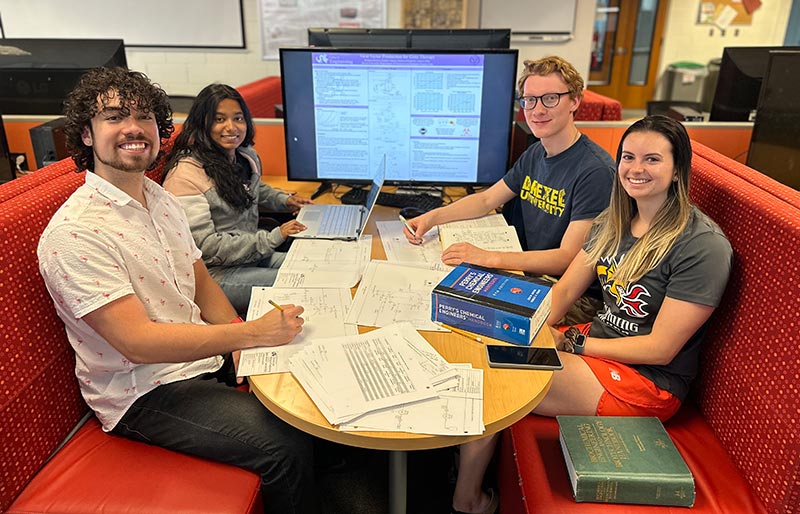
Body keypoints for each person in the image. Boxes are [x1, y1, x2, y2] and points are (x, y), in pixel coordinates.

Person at [37, 67, 316, 514]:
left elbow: (199, 276)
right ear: (86, 135)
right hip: (145, 391)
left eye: (144, 116)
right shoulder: (76, 233)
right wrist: (250, 336)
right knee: (285, 445)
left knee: (311, 389)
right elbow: (137, 342)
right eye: (113, 117)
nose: (133, 128)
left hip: (198, 358)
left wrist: (237, 332)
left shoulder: (158, 196)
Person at [450, 115, 733, 514]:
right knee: (487, 343)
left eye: (652, 159)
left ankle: (469, 501)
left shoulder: (702, 246)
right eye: (628, 157)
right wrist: (532, 329)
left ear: (677, 170)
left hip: (646, 382)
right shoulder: (614, 220)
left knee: (498, 378)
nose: (636, 169)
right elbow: (565, 289)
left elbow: (661, 348)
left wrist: (575, 343)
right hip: (598, 346)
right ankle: (463, 469)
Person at [405, 56, 615, 284]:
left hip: (558, 287)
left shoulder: (596, 171)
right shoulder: (536, 153)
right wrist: (431, 218)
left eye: (551, 99)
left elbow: (567, 258)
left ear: (575, 101)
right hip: (526, 269)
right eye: (530, 100)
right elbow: (486, 200)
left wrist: (488, 257)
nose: (538, 110)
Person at [162, 83, 313, 314]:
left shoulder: (243, 157)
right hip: (215, 276)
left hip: (250, 255)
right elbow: (206, 248)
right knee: (301, 284)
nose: (231, 127)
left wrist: (284, 200)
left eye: (238, 118)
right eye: (219, 119)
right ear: (202, 123)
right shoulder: (185, 177)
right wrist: (274, 236)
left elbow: (253, 188)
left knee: (315, 270)